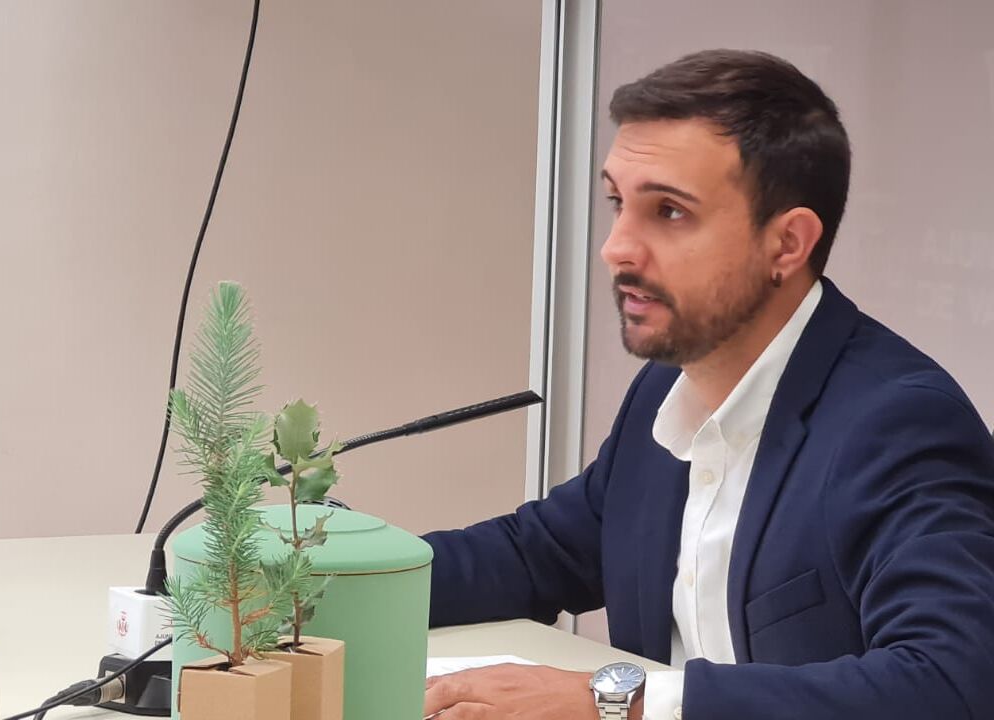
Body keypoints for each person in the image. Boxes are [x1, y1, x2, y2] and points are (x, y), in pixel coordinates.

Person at [422, 49, 994, 720]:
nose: (616, 247)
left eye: (668, 212)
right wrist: (329, 569)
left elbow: (948, 682)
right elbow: (536, 555)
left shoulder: (897, 423)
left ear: (787, 244)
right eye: (618, 203)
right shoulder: (666, 389)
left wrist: (615, 703)